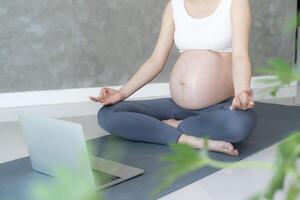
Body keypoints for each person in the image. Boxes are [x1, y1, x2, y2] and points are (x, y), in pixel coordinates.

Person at [89, 0, 258, 156]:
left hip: (218, 107)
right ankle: (187, 139)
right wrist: (121, 93)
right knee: (108, 114)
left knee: (239, 124)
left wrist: (241, 91)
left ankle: (173, 127)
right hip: (175, 106)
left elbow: (240, 56)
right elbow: (155, 61)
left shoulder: (234, 3)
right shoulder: (174, 6)